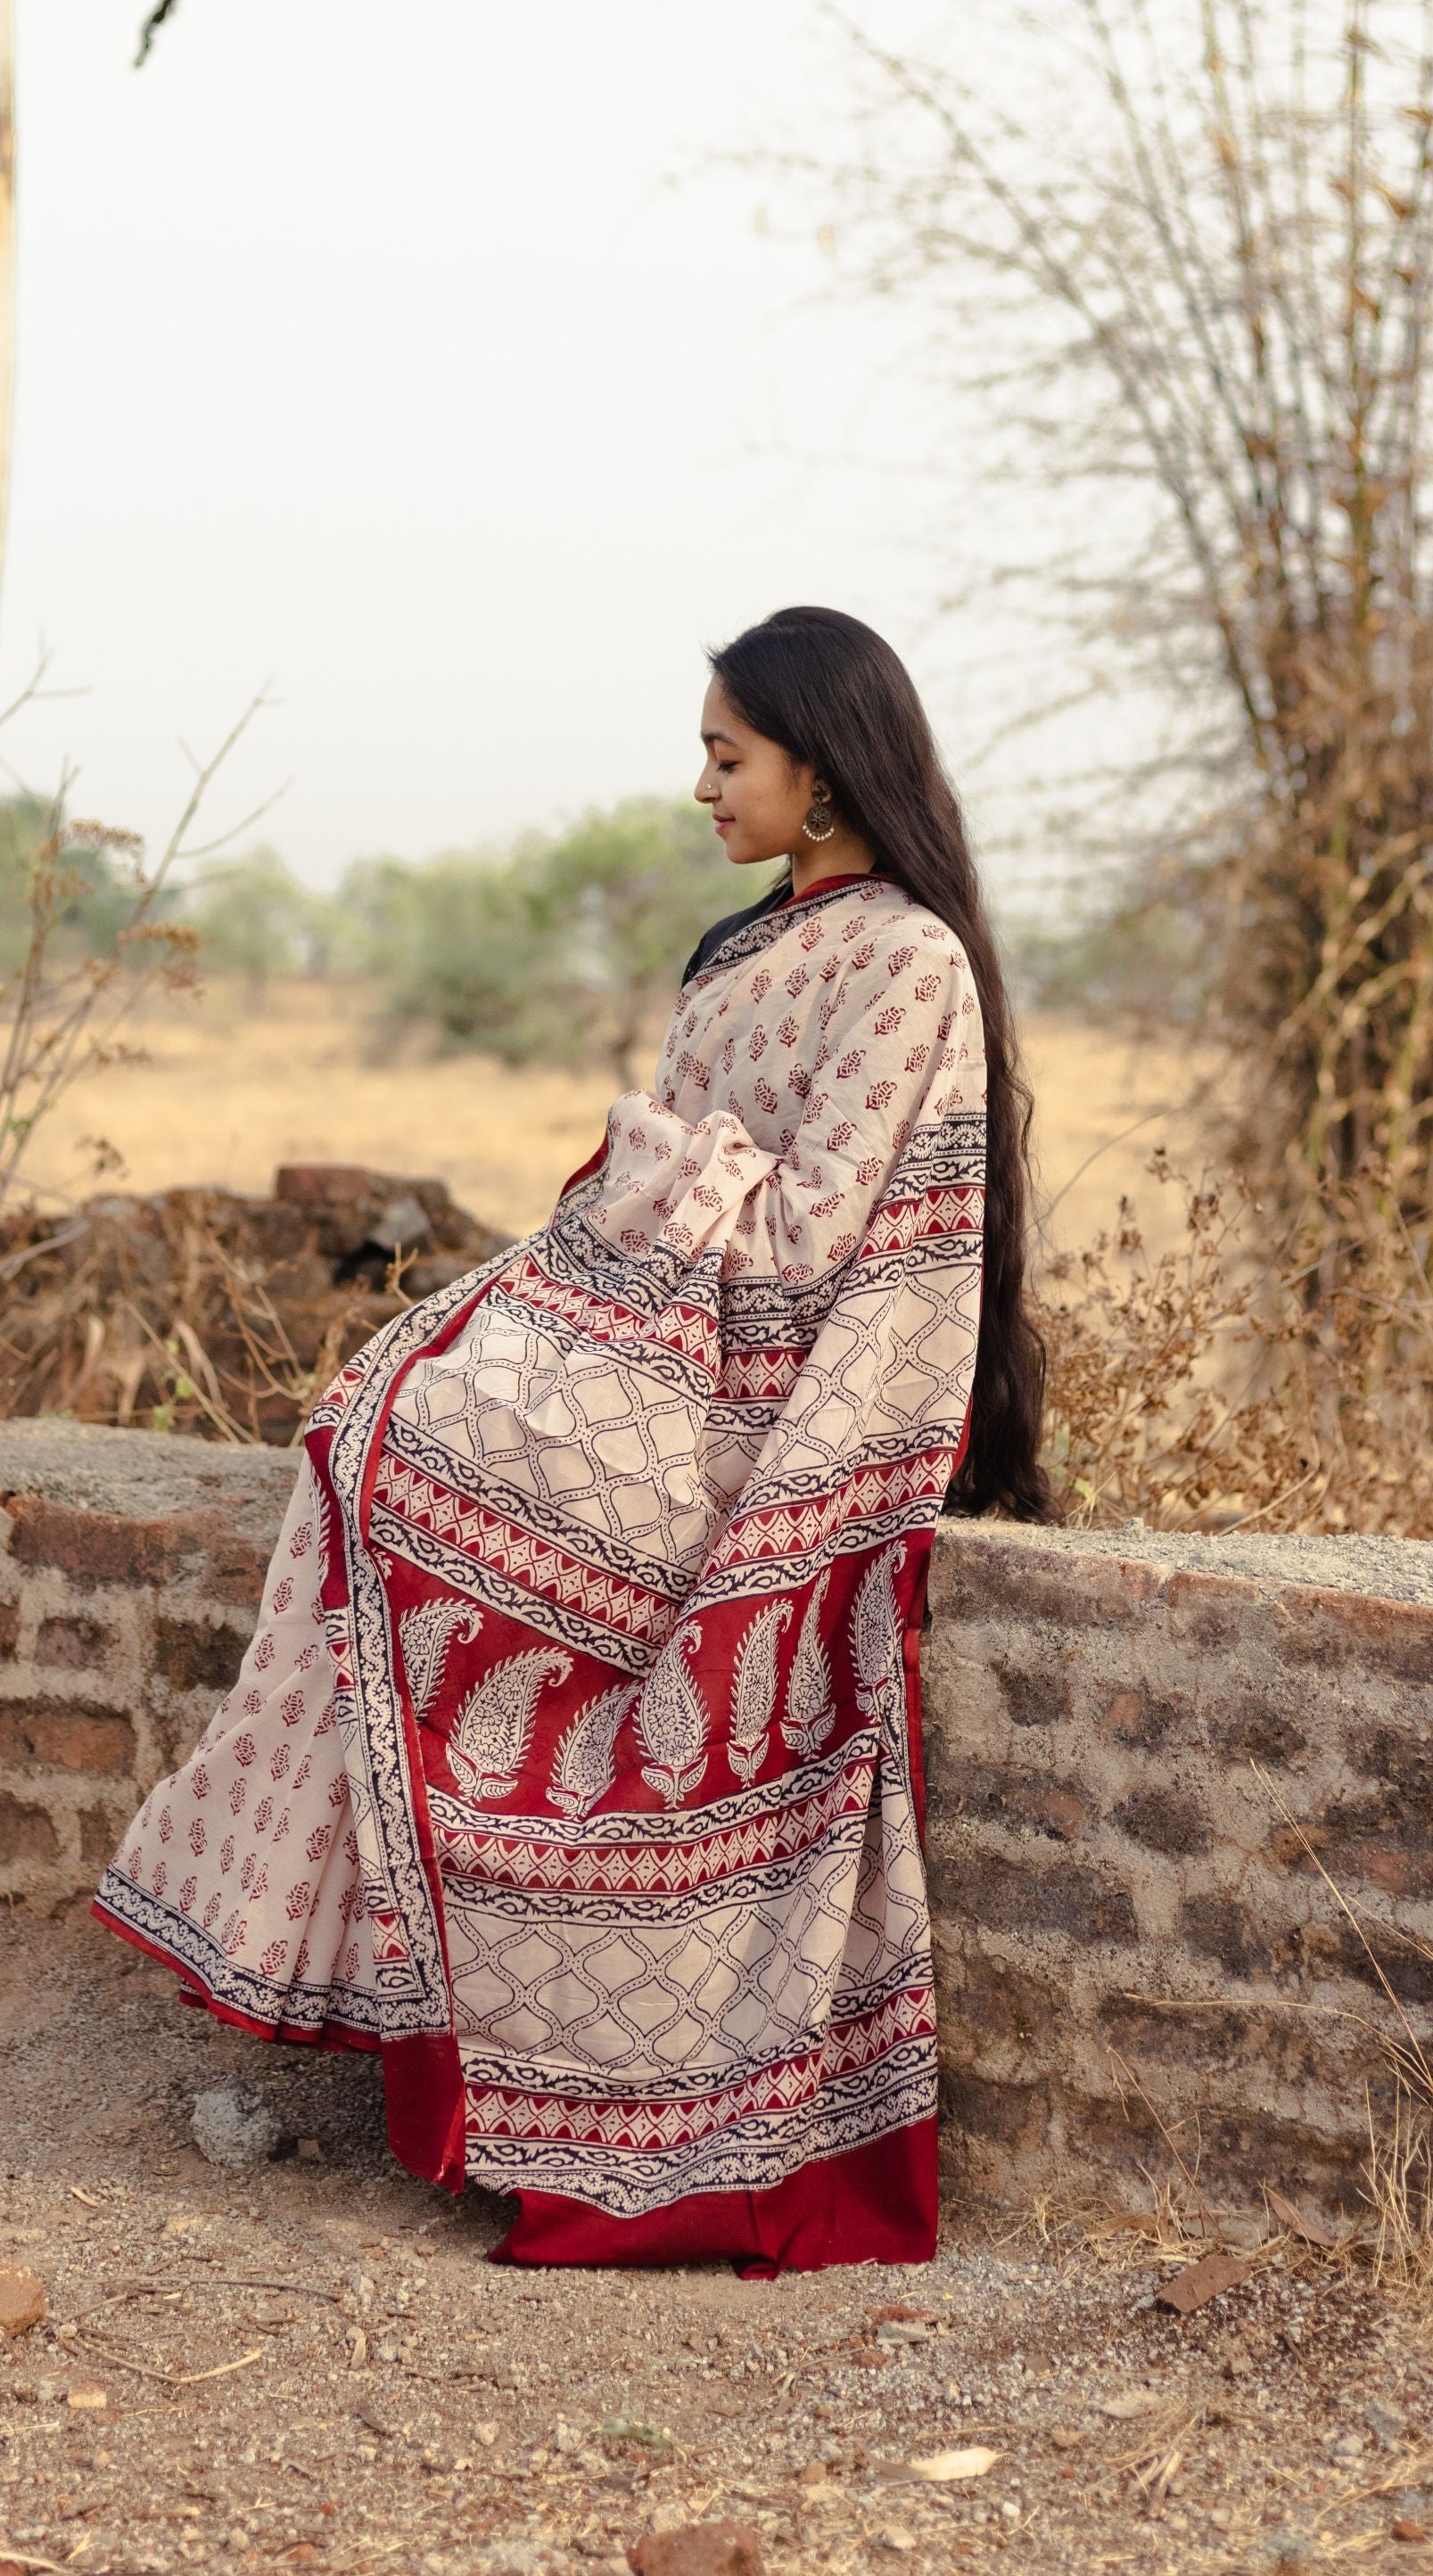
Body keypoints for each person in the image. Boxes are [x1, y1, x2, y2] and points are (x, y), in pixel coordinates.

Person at [94, 605, 1049, 2272]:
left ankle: (578, 2086)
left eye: (725, 754)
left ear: (822, 771)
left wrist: (649, 1169)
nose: (699, 786)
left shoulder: (910, 963)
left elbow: (821, 1233)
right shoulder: (742, 953)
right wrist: (638, 1184)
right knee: (368, 1442)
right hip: (648, 1338)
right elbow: (678, 1173)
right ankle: (405, 2004)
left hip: (758, 1397)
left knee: (442, 1492)